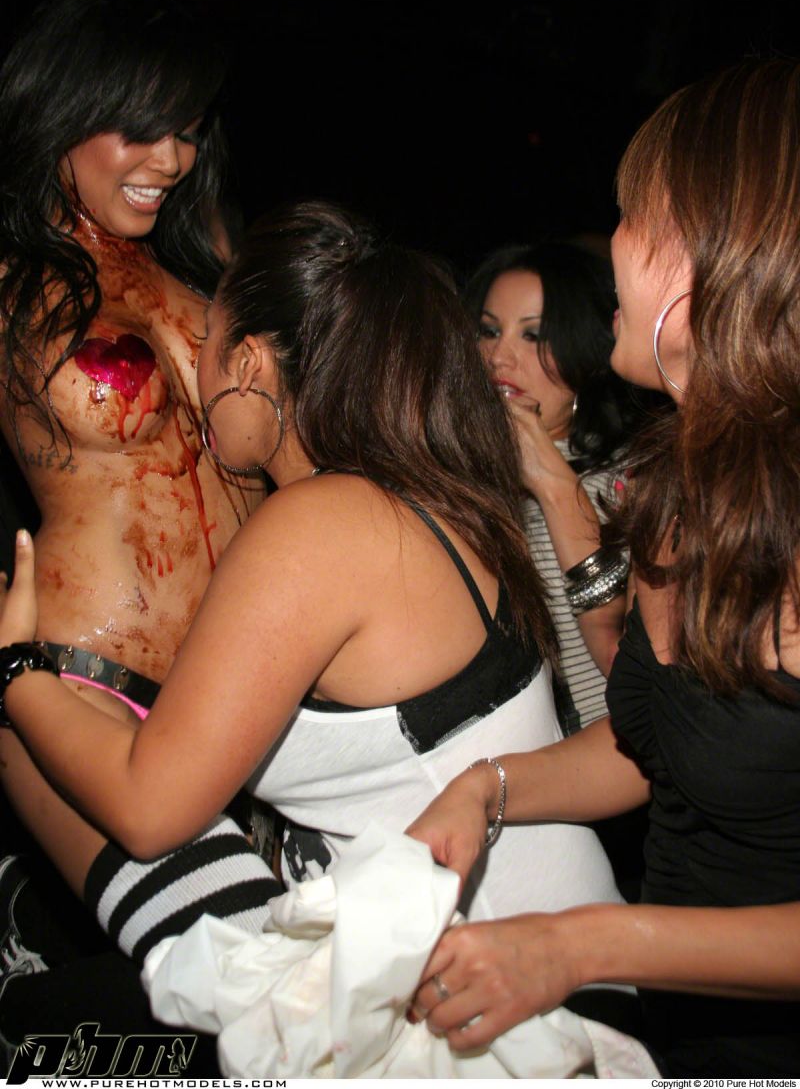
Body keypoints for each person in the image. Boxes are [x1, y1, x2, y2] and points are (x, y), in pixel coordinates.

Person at [0, 201, 624, 983]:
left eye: (205, 340)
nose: (191, 379)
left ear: (250, 364)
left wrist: (18, 671)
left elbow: (149, 810)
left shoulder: (318, 526)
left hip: (507, 1003)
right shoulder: (423, 488)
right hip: (531, 962)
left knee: (34, 746)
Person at [408, 59, 800, 1077]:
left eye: (631, 216)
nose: (609, 243)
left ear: (710, 251)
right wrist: (489, 787)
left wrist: (579, 944)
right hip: (676, 1034)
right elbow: (657, 748)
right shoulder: (689, 486)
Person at [0, 0, 272, 1059]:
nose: (172, 157)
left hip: (248, 700)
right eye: (142, 127)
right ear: (63, 112)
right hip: (79, 689)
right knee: (255, 988)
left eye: (189, 130)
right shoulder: (11, 281)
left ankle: (33, 968)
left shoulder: (202, 275)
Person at [469, 242, 651, 732]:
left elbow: (627, 667)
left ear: (584, 352)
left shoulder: (627, 483)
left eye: (534, 335)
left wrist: (554, 486)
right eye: (489, 330)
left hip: (610, 749)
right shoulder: (463, 477)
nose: (499, 356)